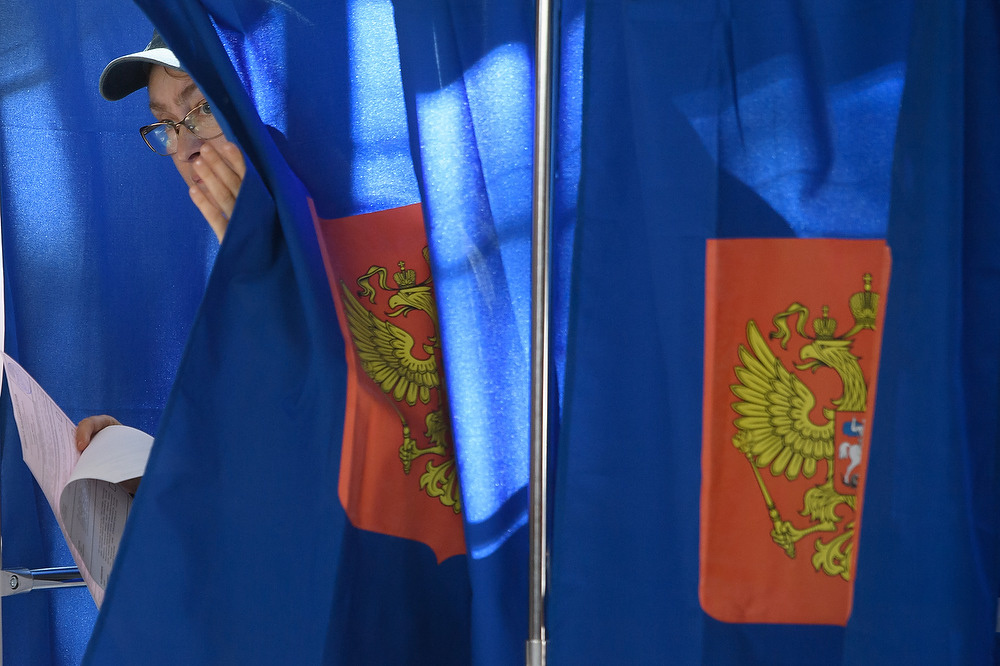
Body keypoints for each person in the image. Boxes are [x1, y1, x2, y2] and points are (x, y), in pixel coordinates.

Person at [76, 32, 246, 454]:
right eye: (167, 125)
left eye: (205, 108)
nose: (185, 149)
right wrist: (139, 471)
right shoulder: (232, 271)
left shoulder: (354, 251)